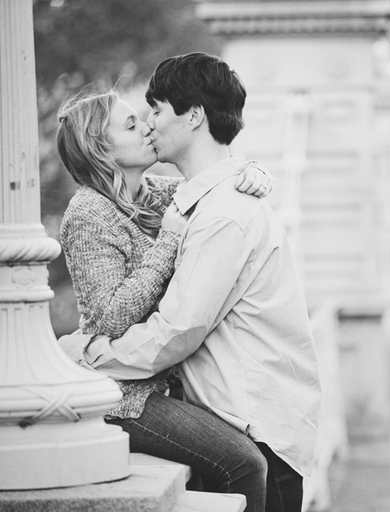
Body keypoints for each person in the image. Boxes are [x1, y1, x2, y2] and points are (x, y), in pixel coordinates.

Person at [60, 52, 320, 512]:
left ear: (194, 115)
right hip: (180, 397)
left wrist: (87, 356)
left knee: (243, 466)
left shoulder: (208, 208)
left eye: (154, 112)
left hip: (255, 418)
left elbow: (178, 331)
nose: (149, 126)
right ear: (101, 148)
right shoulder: (118, 209)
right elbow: (112, 313)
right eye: (133, 123)